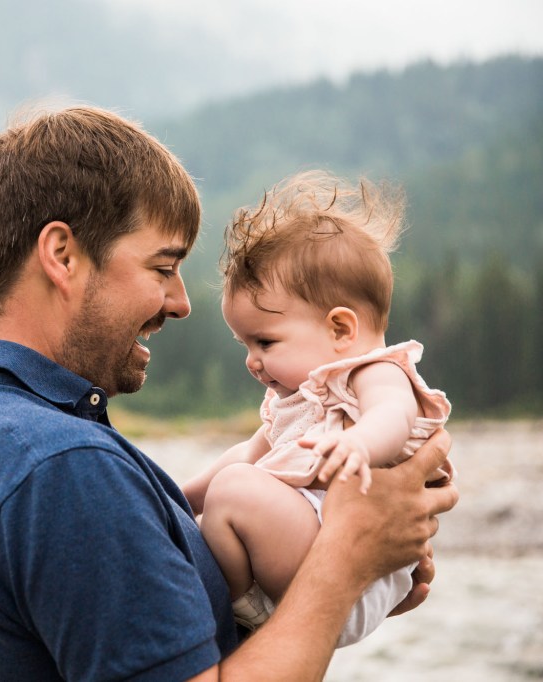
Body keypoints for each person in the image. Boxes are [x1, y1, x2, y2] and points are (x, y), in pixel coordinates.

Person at [0, 107, 458, 680]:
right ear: (63, 256)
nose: (181, 302)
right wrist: (344, 560)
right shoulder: (62, 466)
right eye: (162, 267)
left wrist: (356, 568)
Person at [183, 170, 454, 648]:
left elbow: (393, 416)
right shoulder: (295, 400)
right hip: (310, 563)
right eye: (244, 344)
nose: (252, 360)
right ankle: (250, 611)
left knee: (234, 492)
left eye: (264, 341)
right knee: (211, 515)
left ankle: (253, 616)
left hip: (354, 573)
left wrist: (357, 443)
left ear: (340, 330)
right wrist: (182, 496)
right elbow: (249, 451)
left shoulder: (375, 372)